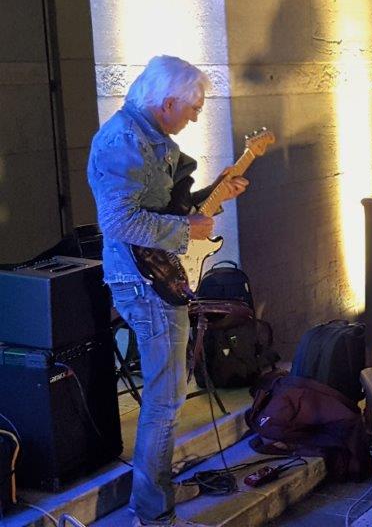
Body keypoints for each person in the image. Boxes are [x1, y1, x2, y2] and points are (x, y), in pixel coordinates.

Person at [88, 55, 249, 526]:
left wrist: (214, 193)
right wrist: (186, 231)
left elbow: (166, 209)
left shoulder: (149, 137)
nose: (195, 117)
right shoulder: (124, 140)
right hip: (143, 283)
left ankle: (155, 490)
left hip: (153, 278)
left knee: (168, 397)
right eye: (193, 108)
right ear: (167, 102)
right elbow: (119, 221)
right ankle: (153, 512)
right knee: (165, 400)